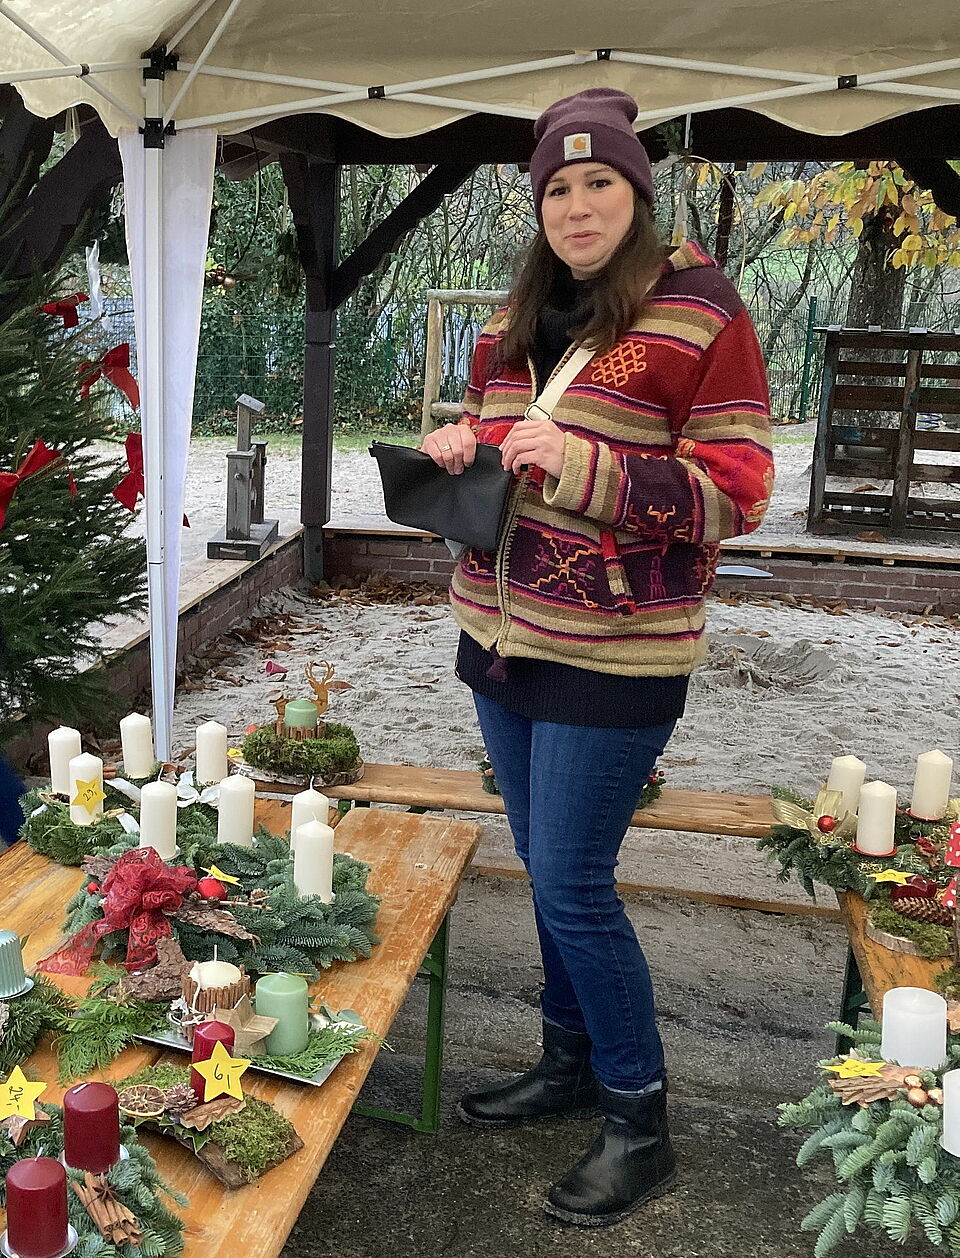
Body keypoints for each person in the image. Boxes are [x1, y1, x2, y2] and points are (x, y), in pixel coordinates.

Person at [421, 88, 774, 1227]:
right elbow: (501, 437)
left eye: (599, 183)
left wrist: (582, 468)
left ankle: (639, 1122)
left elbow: (738, 492)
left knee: (574, 885)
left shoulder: (702, 313)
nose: (577, 207)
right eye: (558, 188)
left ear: (637, 192)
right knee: (546, 870)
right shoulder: (518, 313)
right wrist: (462, 442)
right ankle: (568, 1060)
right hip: (501, 634)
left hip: (617, 649)